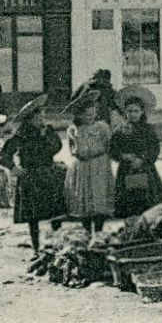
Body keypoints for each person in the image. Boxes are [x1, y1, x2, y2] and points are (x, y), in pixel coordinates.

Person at [0, 95, 67, 252]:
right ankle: (36, 247)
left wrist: (46, 136)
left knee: (56, 212)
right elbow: (4, 155)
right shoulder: (22, 134)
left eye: (43, 114)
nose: (42, 118)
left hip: (49, 174)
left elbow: (57, 147)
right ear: (29, 118)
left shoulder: (47, 131)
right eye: (38, 115)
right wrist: (14, 169)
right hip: (31, 178)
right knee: (33, 217)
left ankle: (58, 244)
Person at [63, 74, 117, 235]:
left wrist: (99, 152)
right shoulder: (74, 129)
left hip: (99, 165)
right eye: (86, 114)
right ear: (79, 114)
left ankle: (99, 232)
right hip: (82, 166)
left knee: (99, 199)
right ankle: (87, 231)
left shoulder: (102, 127)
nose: (90, 116)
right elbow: (72, 148)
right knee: (84, 200)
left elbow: (109, 145)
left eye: (92, 113)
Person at [109, 86, 162, 219]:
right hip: (126, 168)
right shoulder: (119, 130)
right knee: (128, 201)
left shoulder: (148, 129)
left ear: (142, 112)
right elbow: (113, 149)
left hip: (145, 167)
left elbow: (154, 148)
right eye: (129, 111)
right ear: (124, 112)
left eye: (136, 111)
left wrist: (142, 159)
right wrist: (124, 156)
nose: (133, 114)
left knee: (148, 199)